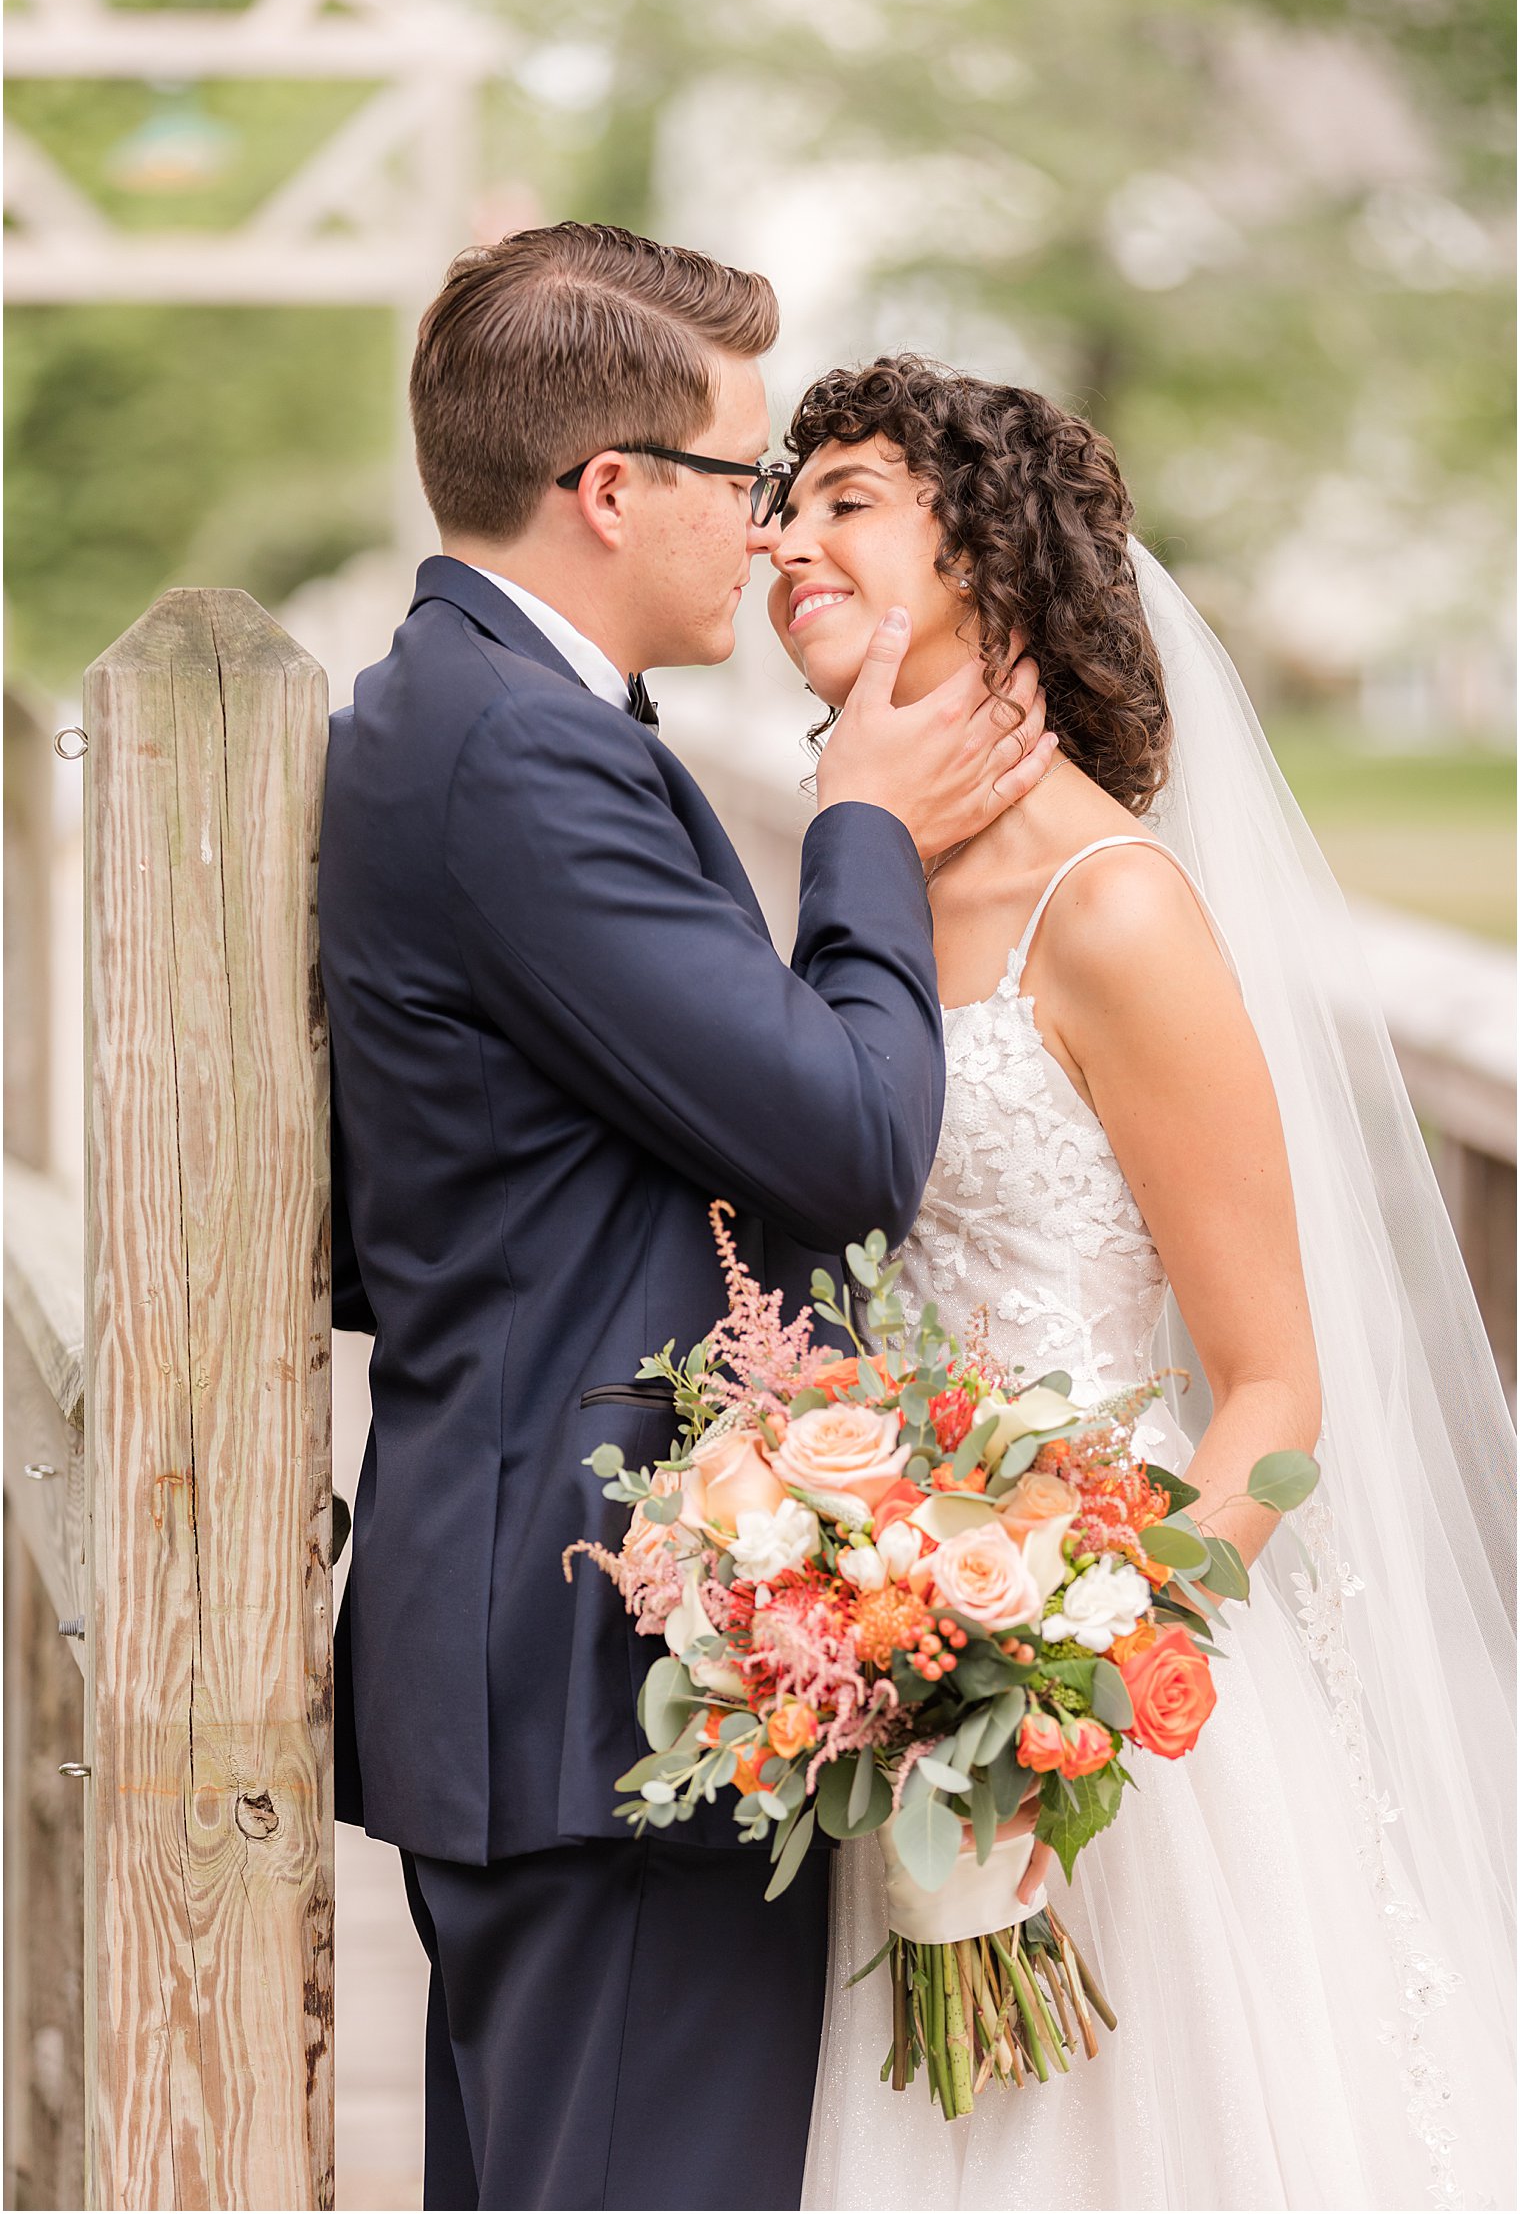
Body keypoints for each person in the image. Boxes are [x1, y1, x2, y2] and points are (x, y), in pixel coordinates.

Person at [317, 232, 1059, 2212]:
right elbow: (841, 1140)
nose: (759, 536)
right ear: (612, 488)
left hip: (546, 1654)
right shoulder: (517, 751)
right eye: (741, 481)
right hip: (595, 1672)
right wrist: (865, 832)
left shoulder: (478, 709)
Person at [768, 357, 1516, 2211]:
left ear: (991, 560)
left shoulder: (1112, 906)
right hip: (881, 1670)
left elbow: (1273, 1392)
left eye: (845, 495)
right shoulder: (842, 870)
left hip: (1100, 1699)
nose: (787, 534)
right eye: (784, 497)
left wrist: (1066, 1675)